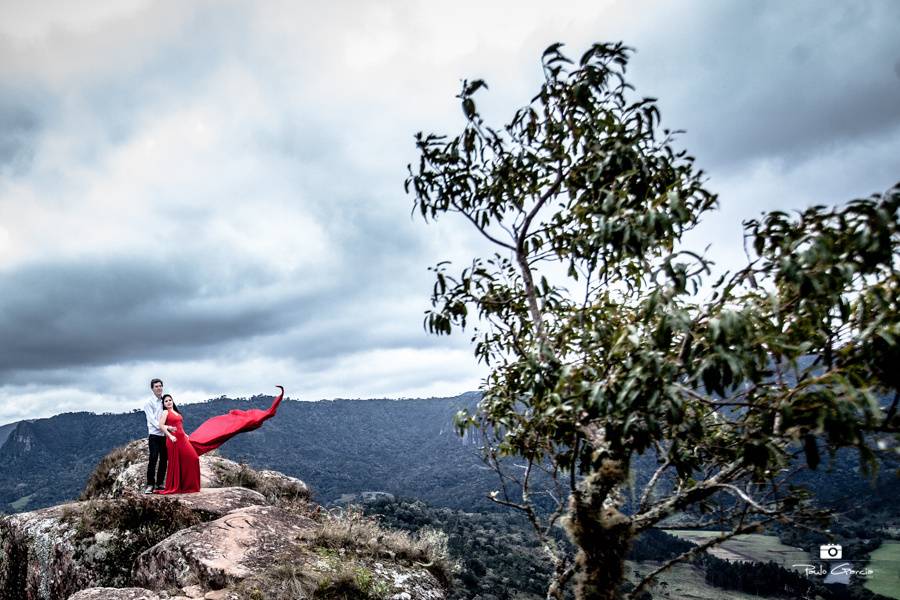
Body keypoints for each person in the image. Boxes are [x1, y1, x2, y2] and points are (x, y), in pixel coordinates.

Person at [156, 385, 285, 494]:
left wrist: (185, 435)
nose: (168, 402)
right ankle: (180, 487)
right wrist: (170, 434)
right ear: (164, 404)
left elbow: (180, 426)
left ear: (172, 401)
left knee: (192, 459)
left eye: (170, 400)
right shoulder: (165, 413)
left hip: (182, 438)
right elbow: (160, 425)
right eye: (166, 401)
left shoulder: (177, 413)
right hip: (173, 440)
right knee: (188, 459)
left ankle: (189, 487)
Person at [143, 378, 175, 494]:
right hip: (154, 435)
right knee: (153, 458)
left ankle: (160, 483)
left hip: (164, 435)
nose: (159, 388)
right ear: (152, 389)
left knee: (164, 459)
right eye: (156, 386)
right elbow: (152, 420)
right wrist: (165, 427)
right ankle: (150, 484)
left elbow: (170, 415)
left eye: (160, 386)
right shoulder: (148, 403)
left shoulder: (165, 401)